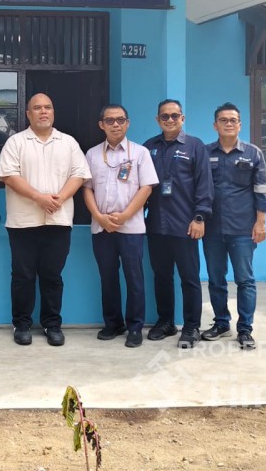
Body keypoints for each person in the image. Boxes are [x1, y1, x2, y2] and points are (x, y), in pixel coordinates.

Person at [0, 93, 91, 346]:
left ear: (53, 112)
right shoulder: (16, 142)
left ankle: (52, 325)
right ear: (28, 114)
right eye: (37, 108)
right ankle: (22, 324)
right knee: (23, 276)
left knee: (52, 276)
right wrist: (39, 198)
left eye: (47, 107)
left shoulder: (68, 142)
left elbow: (79, 175)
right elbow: (9, 176)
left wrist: (59, 199)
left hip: (58, 220)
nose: (43, 112)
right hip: (23, 222)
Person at [82, 104, 159, 348]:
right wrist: (99, 217)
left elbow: (146, 188)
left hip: (131, 228)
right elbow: (86, 189)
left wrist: (125, 216)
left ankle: (135, 327)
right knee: (108, 277)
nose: (115, 124)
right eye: (110, 120)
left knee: (134, 278)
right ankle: (113, 324)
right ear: (101, 125)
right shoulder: (92, 154)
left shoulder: (140, 153)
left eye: (120, 120)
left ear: (127, 123)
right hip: (101, 227)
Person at [143, 98, 214, 348]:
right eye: (165, 116)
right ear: (158, 120)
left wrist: (199, 217)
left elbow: (204, 185)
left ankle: (192, 326)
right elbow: (141, 186)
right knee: (161, 276)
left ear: (182, 118)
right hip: (156, 225)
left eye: (175, 116)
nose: (170, 120)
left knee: (189, 277)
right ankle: (166, 322)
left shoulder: (195, 147)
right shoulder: (149, 147)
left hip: (185, 226)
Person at [202, 102, 266, 350]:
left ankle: (245, 329)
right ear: (215, 125)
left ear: (240, 125)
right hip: (212, 228)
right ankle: (221, 323)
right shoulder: (205, 153)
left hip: (243, 228)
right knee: (215, 279)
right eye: (223, 120)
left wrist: (260, 223)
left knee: (245, 280)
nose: (228, 124)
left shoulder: (253, 153)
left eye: (233, 120)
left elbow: (262, 190)